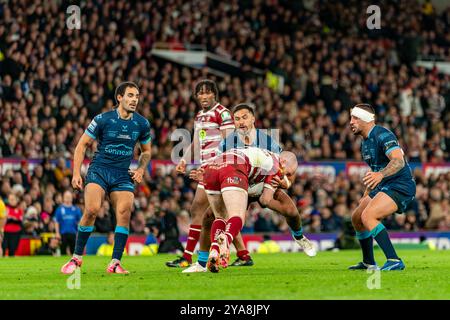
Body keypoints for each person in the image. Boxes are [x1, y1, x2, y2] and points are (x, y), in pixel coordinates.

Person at [183, 103, 315, 273]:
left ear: (253, 119)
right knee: (210, 216)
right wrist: (204, 171)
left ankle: (299, 237)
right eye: (237, 119)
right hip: (238, 182)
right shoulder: (228, 142)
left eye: (244, 117)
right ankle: (202, 262)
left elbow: (285, 165)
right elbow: (219, 164)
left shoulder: (267, 140)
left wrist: (286, 183)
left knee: (291, 211)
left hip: (262, 183)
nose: (241, 122)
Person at [61, 81, 152, 274]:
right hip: (99, 170)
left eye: (136, 96)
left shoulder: (142, 123)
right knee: (92, 209)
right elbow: (81, 145)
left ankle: (115, 262)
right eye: (130, 95)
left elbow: (146, 151)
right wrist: (76, 173)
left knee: (125, 211)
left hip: (122, 174)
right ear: (119, 98)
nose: (134, 99)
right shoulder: (103, 119)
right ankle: (76, 259)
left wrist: (141, 169)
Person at [166, 79, 253, 268]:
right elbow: (197, 142)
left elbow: (230, 143)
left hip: (220, 169)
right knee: (218, 213)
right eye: (200, 93)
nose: (204, 96)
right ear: (196, 96)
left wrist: (213, 166)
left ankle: (188, 257)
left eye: (207, 92)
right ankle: (244, 255)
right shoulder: (200, 116)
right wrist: (184, 160)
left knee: (199, 208)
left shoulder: (222, 113)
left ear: (214, 94)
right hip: (207, 168)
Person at [199, 147, 299, 272]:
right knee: (237, 216)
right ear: (283, 162)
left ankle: (214, 249)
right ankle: (226, 240)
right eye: (288, 173)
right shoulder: (277, 165)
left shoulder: (262, 152)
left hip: (212, 166)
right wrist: (281, 184)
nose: (286, 175)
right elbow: (265, 200)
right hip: (234, 167)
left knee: (220, 217)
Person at [348, 104, 416, 271]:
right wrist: (366, 194)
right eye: (351, 117)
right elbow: (375, 170)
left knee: (368, 216)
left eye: (355, 117)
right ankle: (368, 263)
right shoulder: (364, 143)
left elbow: (398, 161)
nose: (351, 122)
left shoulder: (383, 134)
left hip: (400, 185)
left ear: (366, 119)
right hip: (385, 184)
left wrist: (380, 175)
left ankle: (394, 260)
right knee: (357, 217)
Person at [54, 190, 82, 255]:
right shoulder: (60, 209)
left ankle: (73, 264)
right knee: (63, 251)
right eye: (66, 197)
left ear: (72, 198)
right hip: (63, 233)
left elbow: (80, 222)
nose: (68, 198)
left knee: (74, 252)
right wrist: (57, 233)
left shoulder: (76, 209)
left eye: (69, 197)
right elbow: (56, 222)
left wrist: (79, 232)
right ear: (63, 198)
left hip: (73, 233)